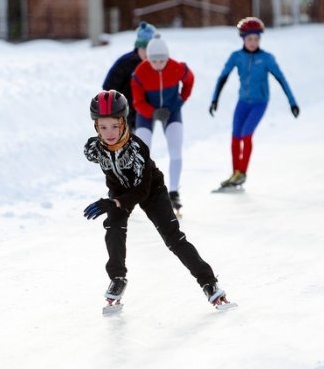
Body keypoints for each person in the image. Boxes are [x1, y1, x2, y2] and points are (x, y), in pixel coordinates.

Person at [83, 90, 229, 308]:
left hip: (150, 190)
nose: (109, 133)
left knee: (173, 238)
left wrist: (114, 202)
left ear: (123, 123)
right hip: (120, 192)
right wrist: (115, 201)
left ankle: (209, 283)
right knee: (113, 226)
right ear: (96, 127)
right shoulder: (94, 149)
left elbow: (141, 190)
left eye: (114, 126)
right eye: (103, 127)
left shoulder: (137, 148)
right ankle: (117, 279)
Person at [209, 17, 300, 188]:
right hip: (242, 102)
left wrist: (292, 102)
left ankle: (242, 173)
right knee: (235, 136)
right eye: (250, 39)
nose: (253, 42)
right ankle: (235, 173)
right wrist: (215, 99)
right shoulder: (236, 57)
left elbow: (281, 79)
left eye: (257, 39)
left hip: (259, 102)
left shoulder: (267, 58)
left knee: (246, 134)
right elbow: (223, 77)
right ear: (243, 38)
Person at [131, 34, 194, 211]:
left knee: (175, 151)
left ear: (167, 58)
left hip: (171, 111)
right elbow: (137, 101)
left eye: (162, 60)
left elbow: (189, 80)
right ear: (148, 59)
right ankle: (138, 190)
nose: (158, 64)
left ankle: (173, 193)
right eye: (154, 61)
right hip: (146, 112)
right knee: (141, 152)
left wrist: (181, 100)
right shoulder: (140, 73)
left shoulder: (177, 67)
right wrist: (153, 112)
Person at [101, 21, 157, 129]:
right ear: (138, 47)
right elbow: (109, 86)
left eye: (150, 49)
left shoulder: (156, 64)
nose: (147, 53)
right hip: (124, 114)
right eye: (144, 48)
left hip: (144, 113)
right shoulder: (125, 62)